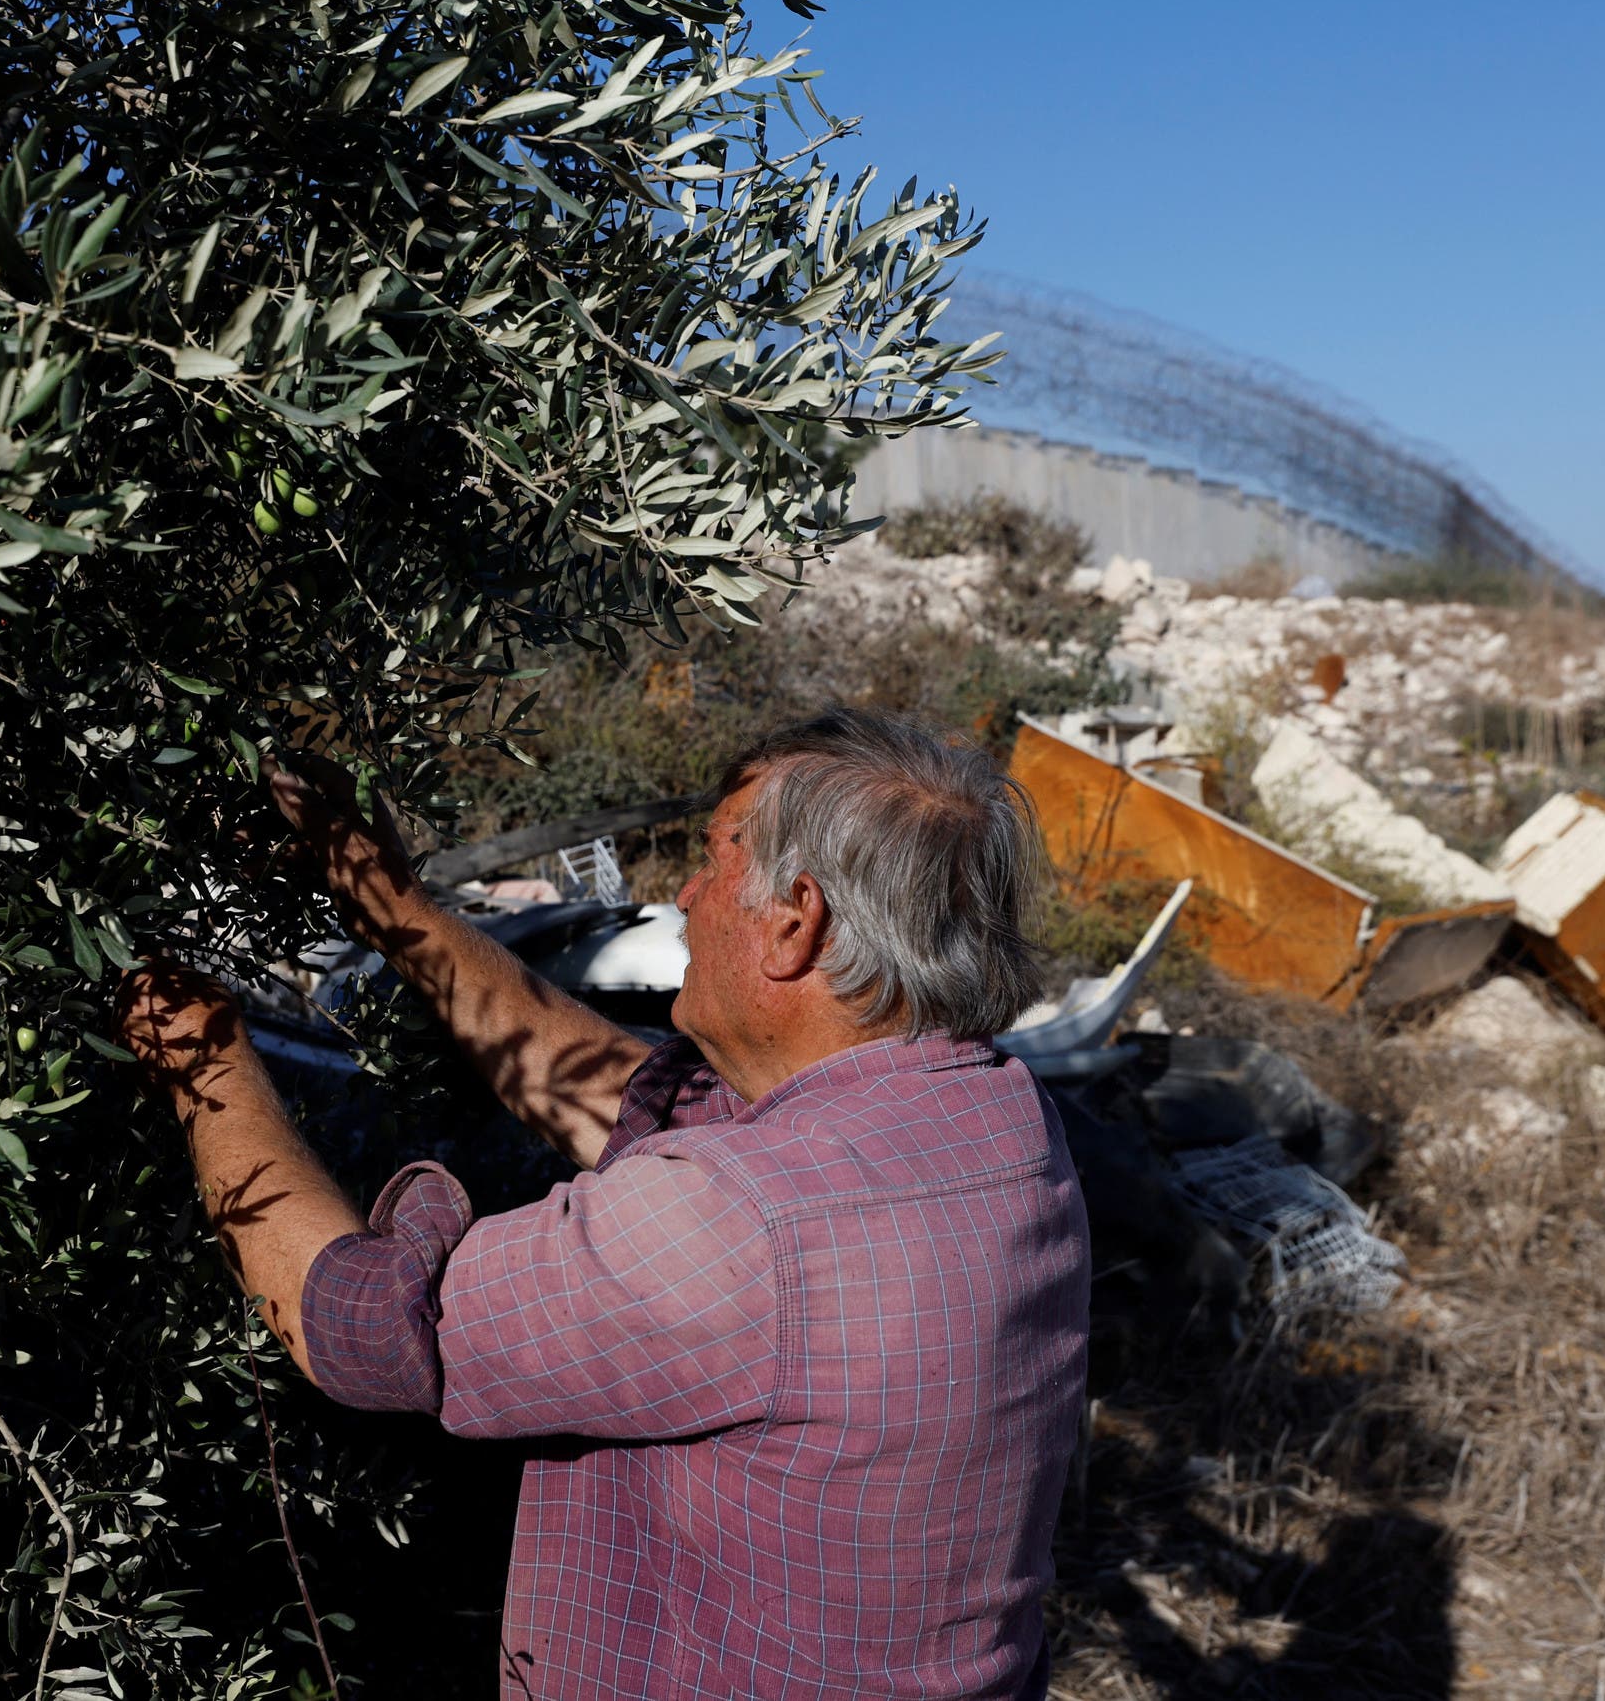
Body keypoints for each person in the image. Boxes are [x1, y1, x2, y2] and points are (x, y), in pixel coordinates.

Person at [118, 708, 1091, 1700]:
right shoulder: (995, 1123)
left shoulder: (746, 1218)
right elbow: (617, 1096)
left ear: (795, 922)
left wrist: (200, 1055)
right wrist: (385, 900)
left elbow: (353, 1324)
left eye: (713, 863)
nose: (687, 894)